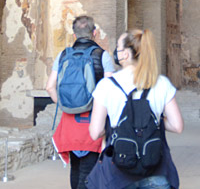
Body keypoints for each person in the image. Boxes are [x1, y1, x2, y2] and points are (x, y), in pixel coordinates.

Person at [88, 29, 183, 189]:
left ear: (124, 54)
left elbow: (95, 132)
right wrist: (152, 120)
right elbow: (177, 126)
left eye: (118, 47)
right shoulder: (161, 83)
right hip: (155, 168)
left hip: (118, 171)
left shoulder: (106, 85)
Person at [46, 15, 114, 189]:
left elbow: (49, 87)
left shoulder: (63, 55)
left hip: (69, 121)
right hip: (92, 121)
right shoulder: (103, 56)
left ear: (74, 35)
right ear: (95, 33)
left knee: (75, 168)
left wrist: (64, 105)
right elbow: (109, 92)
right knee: (89, 171)